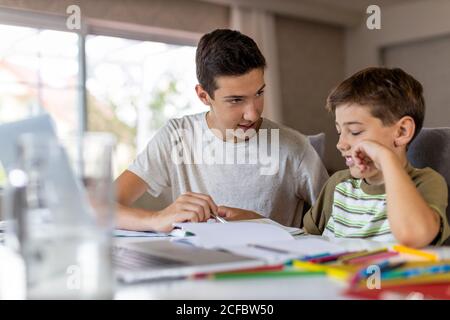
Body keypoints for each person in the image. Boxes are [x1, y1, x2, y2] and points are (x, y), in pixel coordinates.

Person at [115, 29, 328, 232]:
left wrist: (263, 225)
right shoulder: (177, 137)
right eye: (236, 100)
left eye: (259, 93)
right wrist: (157, 219)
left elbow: (344, 229)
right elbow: (99, 207)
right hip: (196, 264)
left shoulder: (296, 148)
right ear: (203, 96)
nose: (253, 114)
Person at [303, 67, 450, 247]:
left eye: (355, 132)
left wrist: (385, 158)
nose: (341, 144)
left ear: (402, 131)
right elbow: (306, 241)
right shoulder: (338, 184)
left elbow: (413, 235)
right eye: (339, 131)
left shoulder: (426, 182)